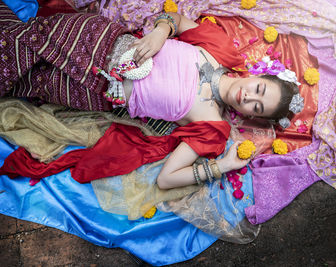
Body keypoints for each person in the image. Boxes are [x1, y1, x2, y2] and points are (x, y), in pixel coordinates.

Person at [0, 2, 300, 189]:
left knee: (13, 72)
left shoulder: (213, 129)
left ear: (251, 115)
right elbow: (176, 18)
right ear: (257, 76)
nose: (249, 97)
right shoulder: (220, 48)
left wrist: (222, 166)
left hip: (89, 89)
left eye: (257, 107)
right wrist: (160, 32)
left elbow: (167, 178)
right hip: (95, 37)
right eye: (259, 89)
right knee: (20, 38)